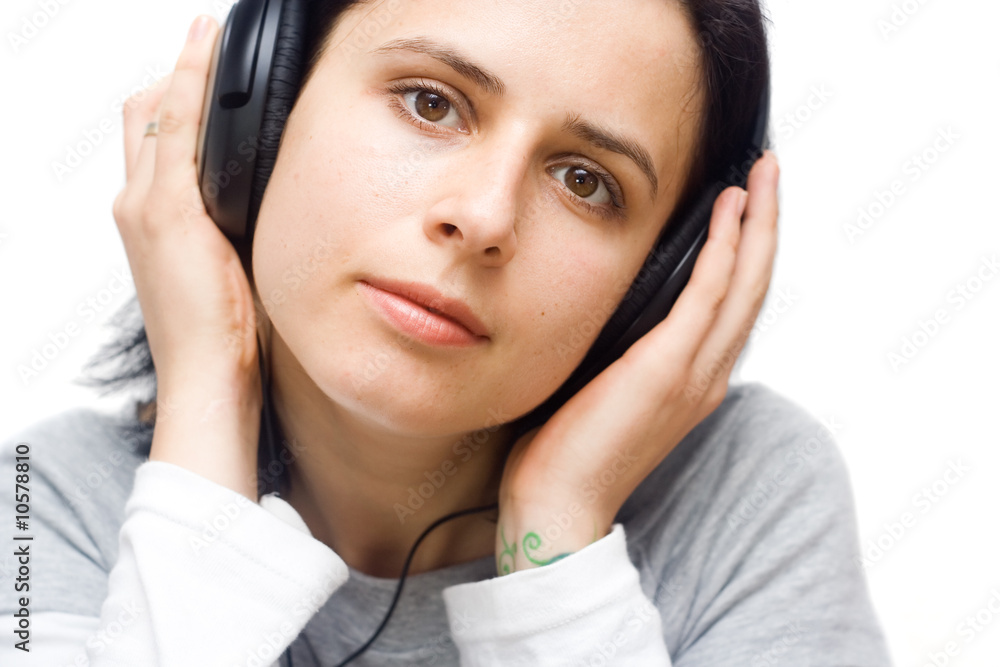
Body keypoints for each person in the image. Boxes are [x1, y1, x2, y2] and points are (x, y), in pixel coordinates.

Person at [0, 0, 893, 665]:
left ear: (661, 279)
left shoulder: (746, 495)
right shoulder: (41, 498)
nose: (484, 217)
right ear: (262, 107)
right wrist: (205, 400)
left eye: (585, 180)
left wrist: (558, 542)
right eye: (431, 103)